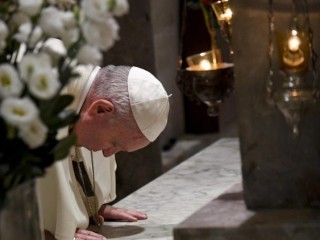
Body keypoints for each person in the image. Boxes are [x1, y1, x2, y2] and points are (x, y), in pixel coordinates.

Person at [37, 65, 170, 240]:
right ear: (100, 109)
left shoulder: (81, 94)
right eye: (114, 143)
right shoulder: (39, 98)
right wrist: (50, 231)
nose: (108, 154)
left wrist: (87, 205)